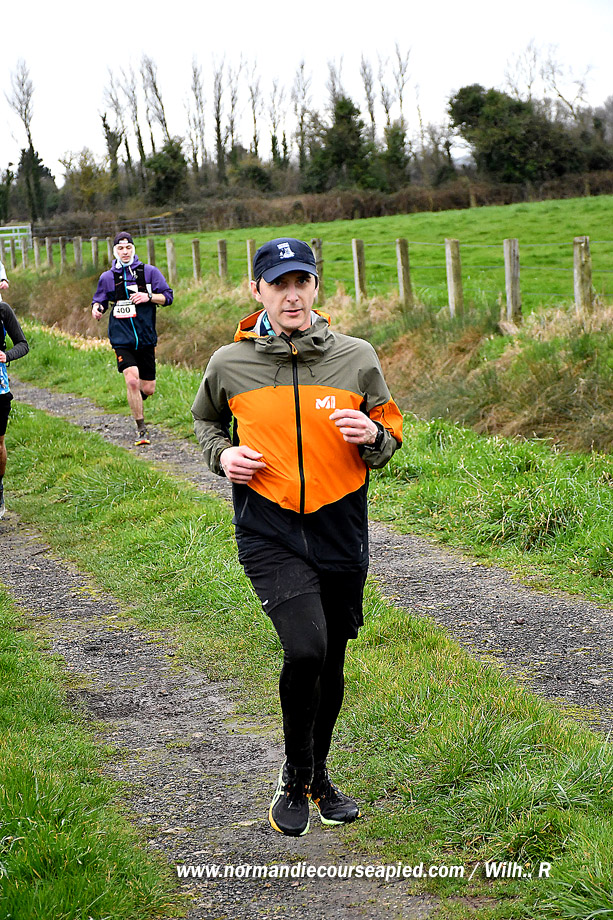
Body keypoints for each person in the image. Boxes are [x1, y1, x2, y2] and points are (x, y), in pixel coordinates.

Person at [191, 238, 403, 837]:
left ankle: (318, 777)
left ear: (315, 286)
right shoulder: (229, 363)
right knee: (306, 648)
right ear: (256, 290)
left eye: (301, 281)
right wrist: (222, 455)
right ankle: (295, 774)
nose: (291, 295)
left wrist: (373, 437)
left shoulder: (357, 357)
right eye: (278, 284)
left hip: (340, 527)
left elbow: (389, 432)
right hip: (269, 527)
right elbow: (205, 420)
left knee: (331, 657)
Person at [91, 232, 173, 445]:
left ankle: (137, 397)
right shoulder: (107, 277)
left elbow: (168, 297)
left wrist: (148, 297)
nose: (125, 252)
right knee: (132, 380)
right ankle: (141, 429)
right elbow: (99, 300)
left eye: (128, 248)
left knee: (148, 388)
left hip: (145, 337)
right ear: (115, 251)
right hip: (121, 338)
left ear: (133, 249)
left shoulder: (149, 272)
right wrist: (97, 309)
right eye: (120, 248)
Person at [0, 299, 29, 519]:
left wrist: (6, 356)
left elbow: (22, 344)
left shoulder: (2, 310)